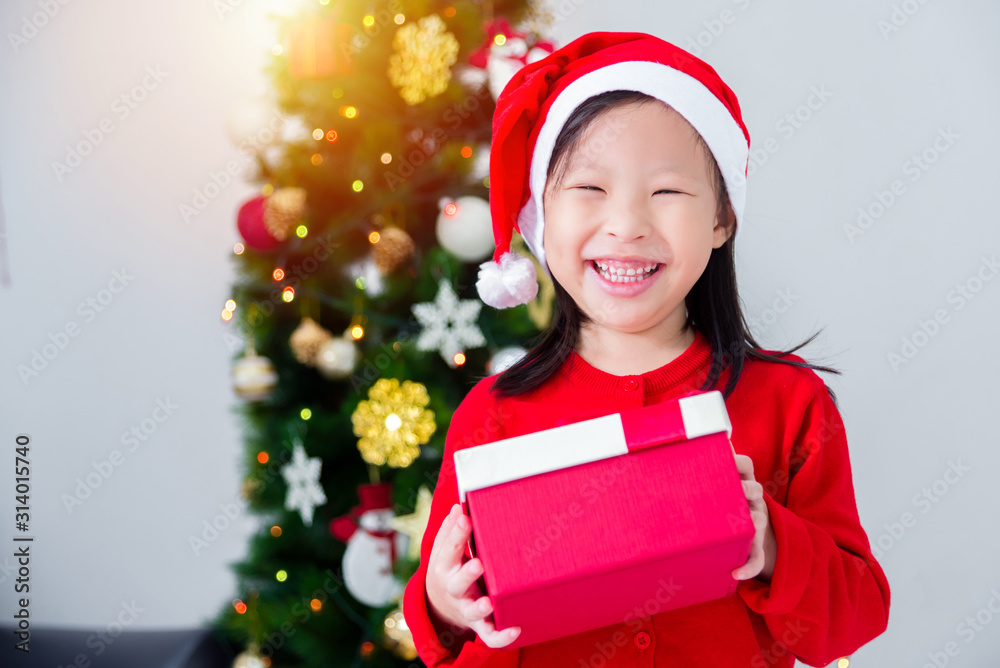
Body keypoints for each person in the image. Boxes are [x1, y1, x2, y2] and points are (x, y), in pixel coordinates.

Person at [402, 31, 891, 668]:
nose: (627, 224)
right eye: (589, 189)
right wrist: (443, 603)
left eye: (667, 192)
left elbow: (851, 622)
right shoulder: (493, 414)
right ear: (542, 219)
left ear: (721, 219)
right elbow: (452, 634)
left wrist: (770, 541)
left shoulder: (790, 403)